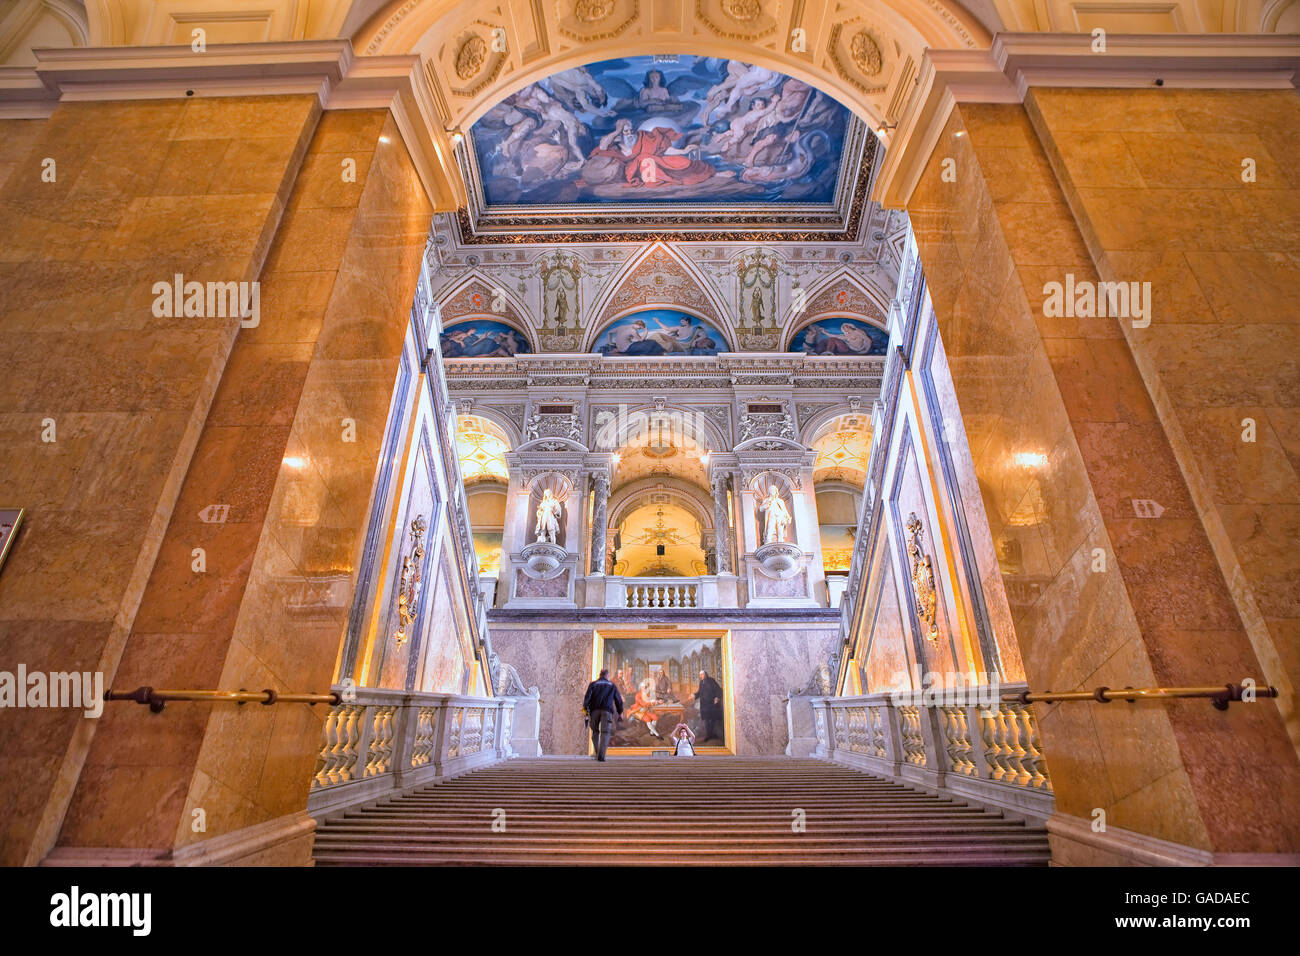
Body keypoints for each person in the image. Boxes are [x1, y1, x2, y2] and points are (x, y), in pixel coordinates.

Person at [582, 669, 624, 762]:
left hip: (594, 711)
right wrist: (620, 711)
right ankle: (601, 755)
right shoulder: (611, 685)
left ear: (600, 675)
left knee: (595, 732)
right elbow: (618, 699)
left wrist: (585, 710)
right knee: (605, 732)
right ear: (607, 675)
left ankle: (597, 753)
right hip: (607, 711)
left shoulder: (593, 684)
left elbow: (587, 698)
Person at [692, 670, 724, 743]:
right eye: (700, 675)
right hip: (704, 705)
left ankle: (711, 735)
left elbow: (718, 690)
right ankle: (709, 735)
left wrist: (717, 697)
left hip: (712, 704)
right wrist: (694, 695)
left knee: (711, 719)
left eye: (702, 674)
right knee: (706, 720)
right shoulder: (701, 682)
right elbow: (699, 692)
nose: (701, 676)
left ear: (705, 674)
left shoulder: (711, 681)